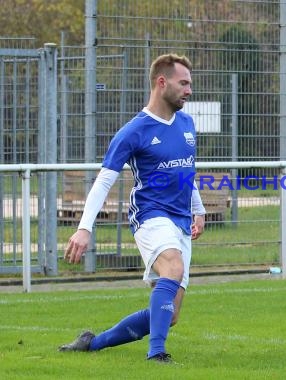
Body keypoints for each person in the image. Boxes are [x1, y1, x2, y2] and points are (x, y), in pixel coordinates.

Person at [58, 53, 206, 362]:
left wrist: (199, 208)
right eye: (184, 83)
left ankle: (92, 344)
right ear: (161, 82)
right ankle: (157, 355)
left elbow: (185, 171)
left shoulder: (187, 123)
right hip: (150, 216)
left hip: (180, 219)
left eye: (190, 84)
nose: (189, 90)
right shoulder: (133, 131)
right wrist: (84, 228)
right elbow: (103, 182)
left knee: (170, 313)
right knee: (173, 267)